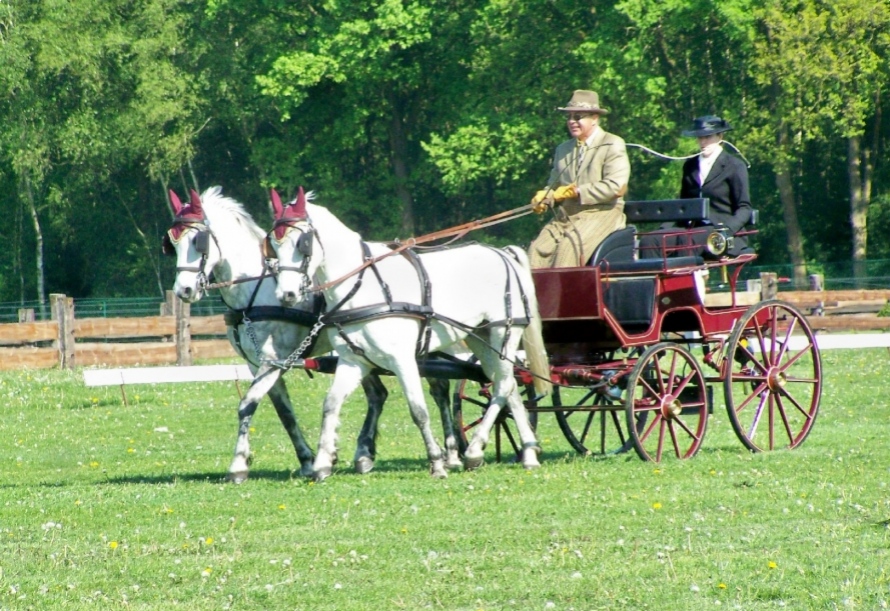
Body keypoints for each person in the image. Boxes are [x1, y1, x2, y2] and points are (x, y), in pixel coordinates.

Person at [528, 90, 631, 268]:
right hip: (566, 216)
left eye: (578, 117)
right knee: (535, 251)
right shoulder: (563, 149)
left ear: (594, 118)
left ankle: (566, 288)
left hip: (602, 213)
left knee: (567, 252)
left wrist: (577, 191)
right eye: (569, 117)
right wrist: (545, 197)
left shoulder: (612, 143)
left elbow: (617, 186)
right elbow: (554, 185)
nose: (571, 121)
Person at [638, 115, 753, 259]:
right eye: (700, 137)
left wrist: (726, 230)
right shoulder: (690, 166)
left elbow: (744, 208)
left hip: (721, 231)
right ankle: (653, 274)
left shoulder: (734, 166)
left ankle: (688, 274)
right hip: (691, 228)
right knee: (650, 241)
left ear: (720, 136)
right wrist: (664, 229)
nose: (703, 142)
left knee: (687, 240)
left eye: (708, 137)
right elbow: (683, 205)